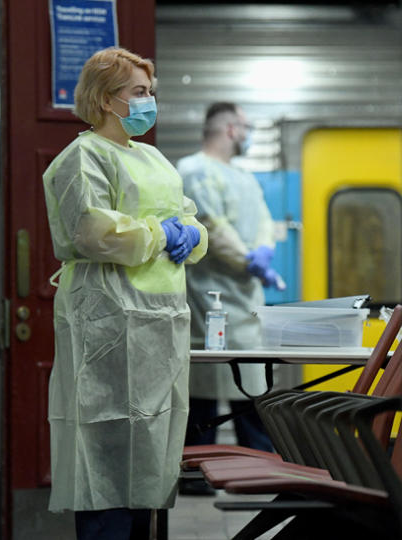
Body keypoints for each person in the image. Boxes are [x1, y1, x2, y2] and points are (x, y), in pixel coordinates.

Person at [41, 47, 208, 540]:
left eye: (150, 93)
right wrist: (162, 234)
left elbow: (190, 216)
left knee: (151, 450)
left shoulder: (153, 157)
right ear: (105, 99)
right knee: (105, 447)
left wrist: (193, 236)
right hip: (107, 323)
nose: (148, 102)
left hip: (162, 322)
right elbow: (94, 232)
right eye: (138, 93)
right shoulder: (80, 158)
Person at [176, 103, 285, 494]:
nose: (250, 133)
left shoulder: (244, 177)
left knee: (251, 393)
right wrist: (247, 260)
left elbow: (265, 222)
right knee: (204, 391)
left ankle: (259, 474)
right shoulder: (192, 171)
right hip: (209, 300)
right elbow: (211, 226)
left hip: (248, 303)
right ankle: (195, 478)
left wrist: (264, 253)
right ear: (231, 129)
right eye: (248, 126)